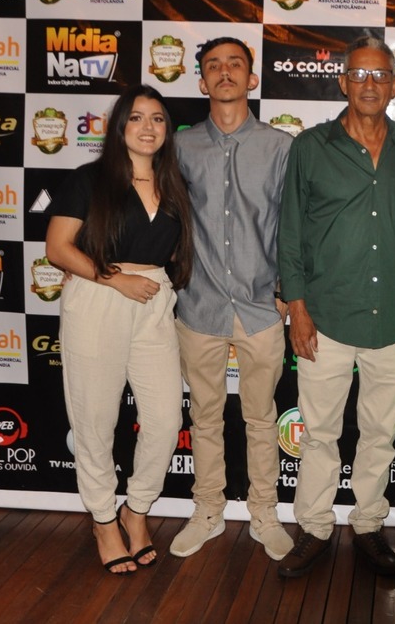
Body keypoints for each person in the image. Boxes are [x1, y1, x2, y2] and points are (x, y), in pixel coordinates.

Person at [276, 36, 395, 578]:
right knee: (320, 432)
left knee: (380, 432)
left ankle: (368, 525)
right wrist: (297, 307)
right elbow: (290, 231)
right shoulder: (310, 147)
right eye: (360, 75)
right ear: (343, 82)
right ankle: (315, 527)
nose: (370, 84)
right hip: (325, 315)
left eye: (380, 75)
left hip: (391, 313)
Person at [45, 85, 193, 575]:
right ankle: (104, 520)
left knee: (165, 419)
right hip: (100, 296)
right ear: (119, 126)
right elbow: (58, 248)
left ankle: (137, 509)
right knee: (94, 420)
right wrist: (114, 278)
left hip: (153, 301)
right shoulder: (88, 179)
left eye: (157, 118)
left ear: (167, 129)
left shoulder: (175, 185)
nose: (148, 127)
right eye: (136, 118)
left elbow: (176, 251)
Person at [168, 37, 295, 563]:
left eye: (234, 65)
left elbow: (292, 225)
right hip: (198, 304)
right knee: (204, 418)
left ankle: (264, 512)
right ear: (202, 81)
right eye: (214, 66)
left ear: (252, 78)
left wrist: (286, 290)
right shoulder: (179, 147)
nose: (224, 73)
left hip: (261, 305)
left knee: (261, 417)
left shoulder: (280, 147)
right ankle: (207, 511)